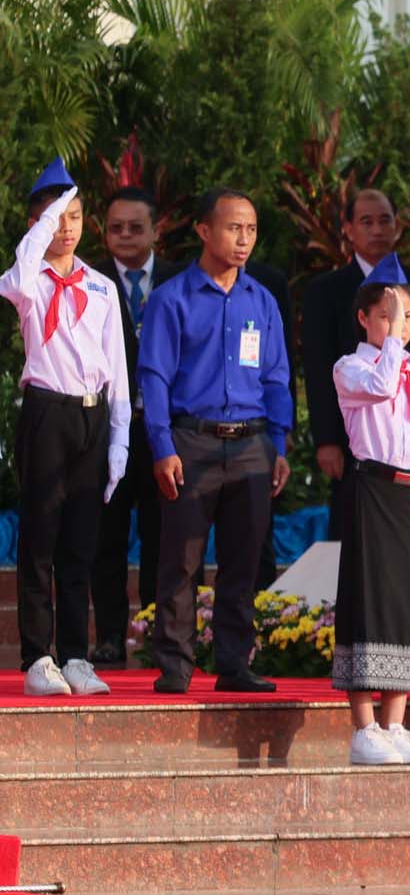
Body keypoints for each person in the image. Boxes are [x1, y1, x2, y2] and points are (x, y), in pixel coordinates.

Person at [136, 187, 294, 695]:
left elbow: (276, 377)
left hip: (251, 445)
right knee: (180, 558)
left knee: (243, 560)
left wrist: (280, 444)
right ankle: (176, 664)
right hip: (191, 441)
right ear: (204, 231)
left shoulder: (261, 300)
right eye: (233, 228)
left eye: (250, 229)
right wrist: (162, 447)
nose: (243, 239)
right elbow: (154, 377)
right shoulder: (170, 299)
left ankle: (234, 663)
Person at [4, 160, 126, 697]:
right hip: (47, 412)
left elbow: (117, 368)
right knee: (41, 537)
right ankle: (38, 657)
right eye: (56, 218)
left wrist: (119, 439)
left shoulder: (101, 287)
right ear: (37, 225)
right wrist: (40, 228)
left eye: (74, 215)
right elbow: (15, 277)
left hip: (92, 415)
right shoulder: (29, 281)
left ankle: (77, 654)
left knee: (82, 541)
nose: (67, 227)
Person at [330, 255, 410, 765]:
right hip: (373, 491)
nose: (397, 327)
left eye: (405, 317)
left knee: (404, 606)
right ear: (363, 318)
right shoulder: (352, 367)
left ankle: (396, 722)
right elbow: (382, 385)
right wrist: (395, 348)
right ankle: (364, 726)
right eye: (386, 315)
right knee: (368, 601)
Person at [301, 188, 410, 543]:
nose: (377, 229)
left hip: (408, 441)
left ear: (397, 227)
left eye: (384, 220)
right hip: (353, 436)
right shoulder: (325, 291)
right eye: (366, 221)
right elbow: (317, 368)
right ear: (347, 229)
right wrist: (327, 439)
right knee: (352, 531)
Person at [88, 185, 166, 668]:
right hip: (106, 430)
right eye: (115, 227)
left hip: (163, 431)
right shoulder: (90, 283)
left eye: (135, 227)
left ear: (156, 230)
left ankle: (160, 634)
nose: (125, 235)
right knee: (107, 539)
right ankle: (111, 636)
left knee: (164, 539)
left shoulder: (180, 282)